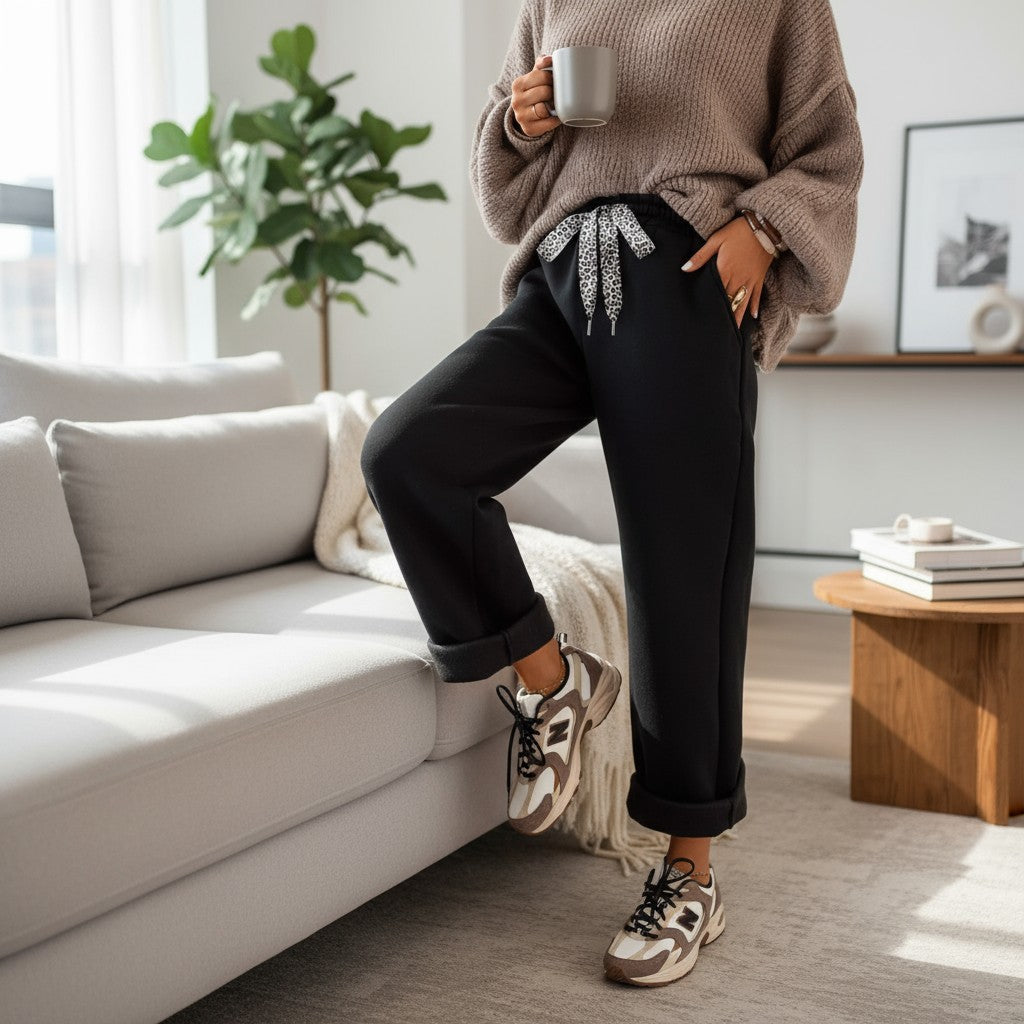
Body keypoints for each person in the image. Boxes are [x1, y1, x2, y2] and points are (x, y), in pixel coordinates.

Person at [360, 0, 864, 988]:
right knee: (408, 453)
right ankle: (553, 680)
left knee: (683, 580)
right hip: (560, 273)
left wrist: (764, 228)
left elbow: (828, 144)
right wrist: (520, 122)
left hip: (684, 272)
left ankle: (687, 873)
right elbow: (505, 183)